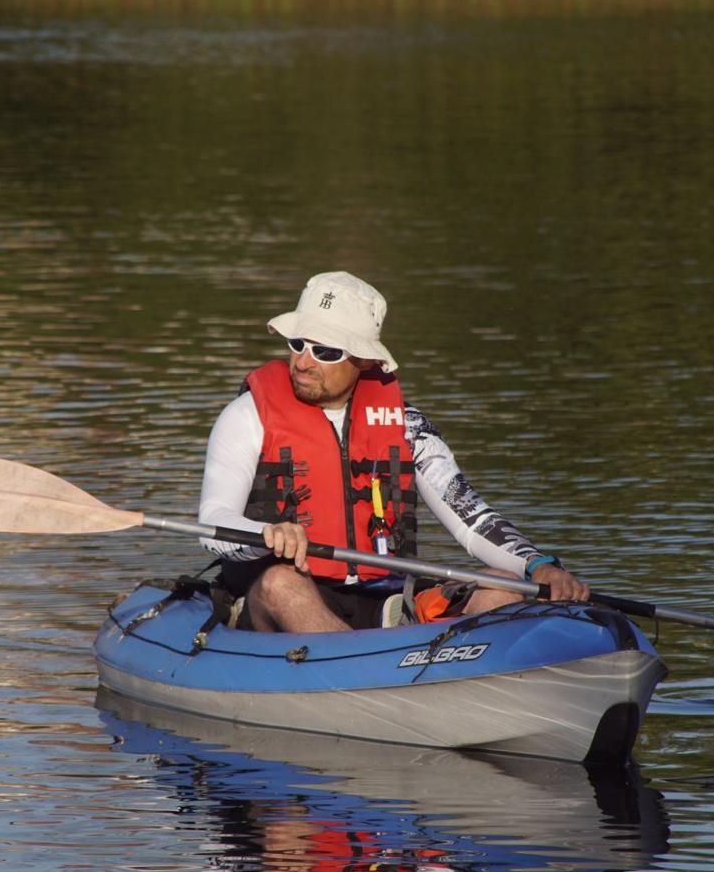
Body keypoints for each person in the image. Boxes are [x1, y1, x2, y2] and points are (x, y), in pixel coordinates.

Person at [198, 271, 589, 633]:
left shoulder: (407, 425)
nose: (302, 362)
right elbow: (213, 522)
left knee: (503, 587)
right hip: (278, 598)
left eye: (326, 352)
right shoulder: (246, 416)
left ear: (365, 359)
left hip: (384, 596)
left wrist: (537, 565)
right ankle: (358, 675)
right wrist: (265, 534)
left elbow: (470, 518)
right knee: (282, 582)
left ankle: (411, 659)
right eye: (297, 344)